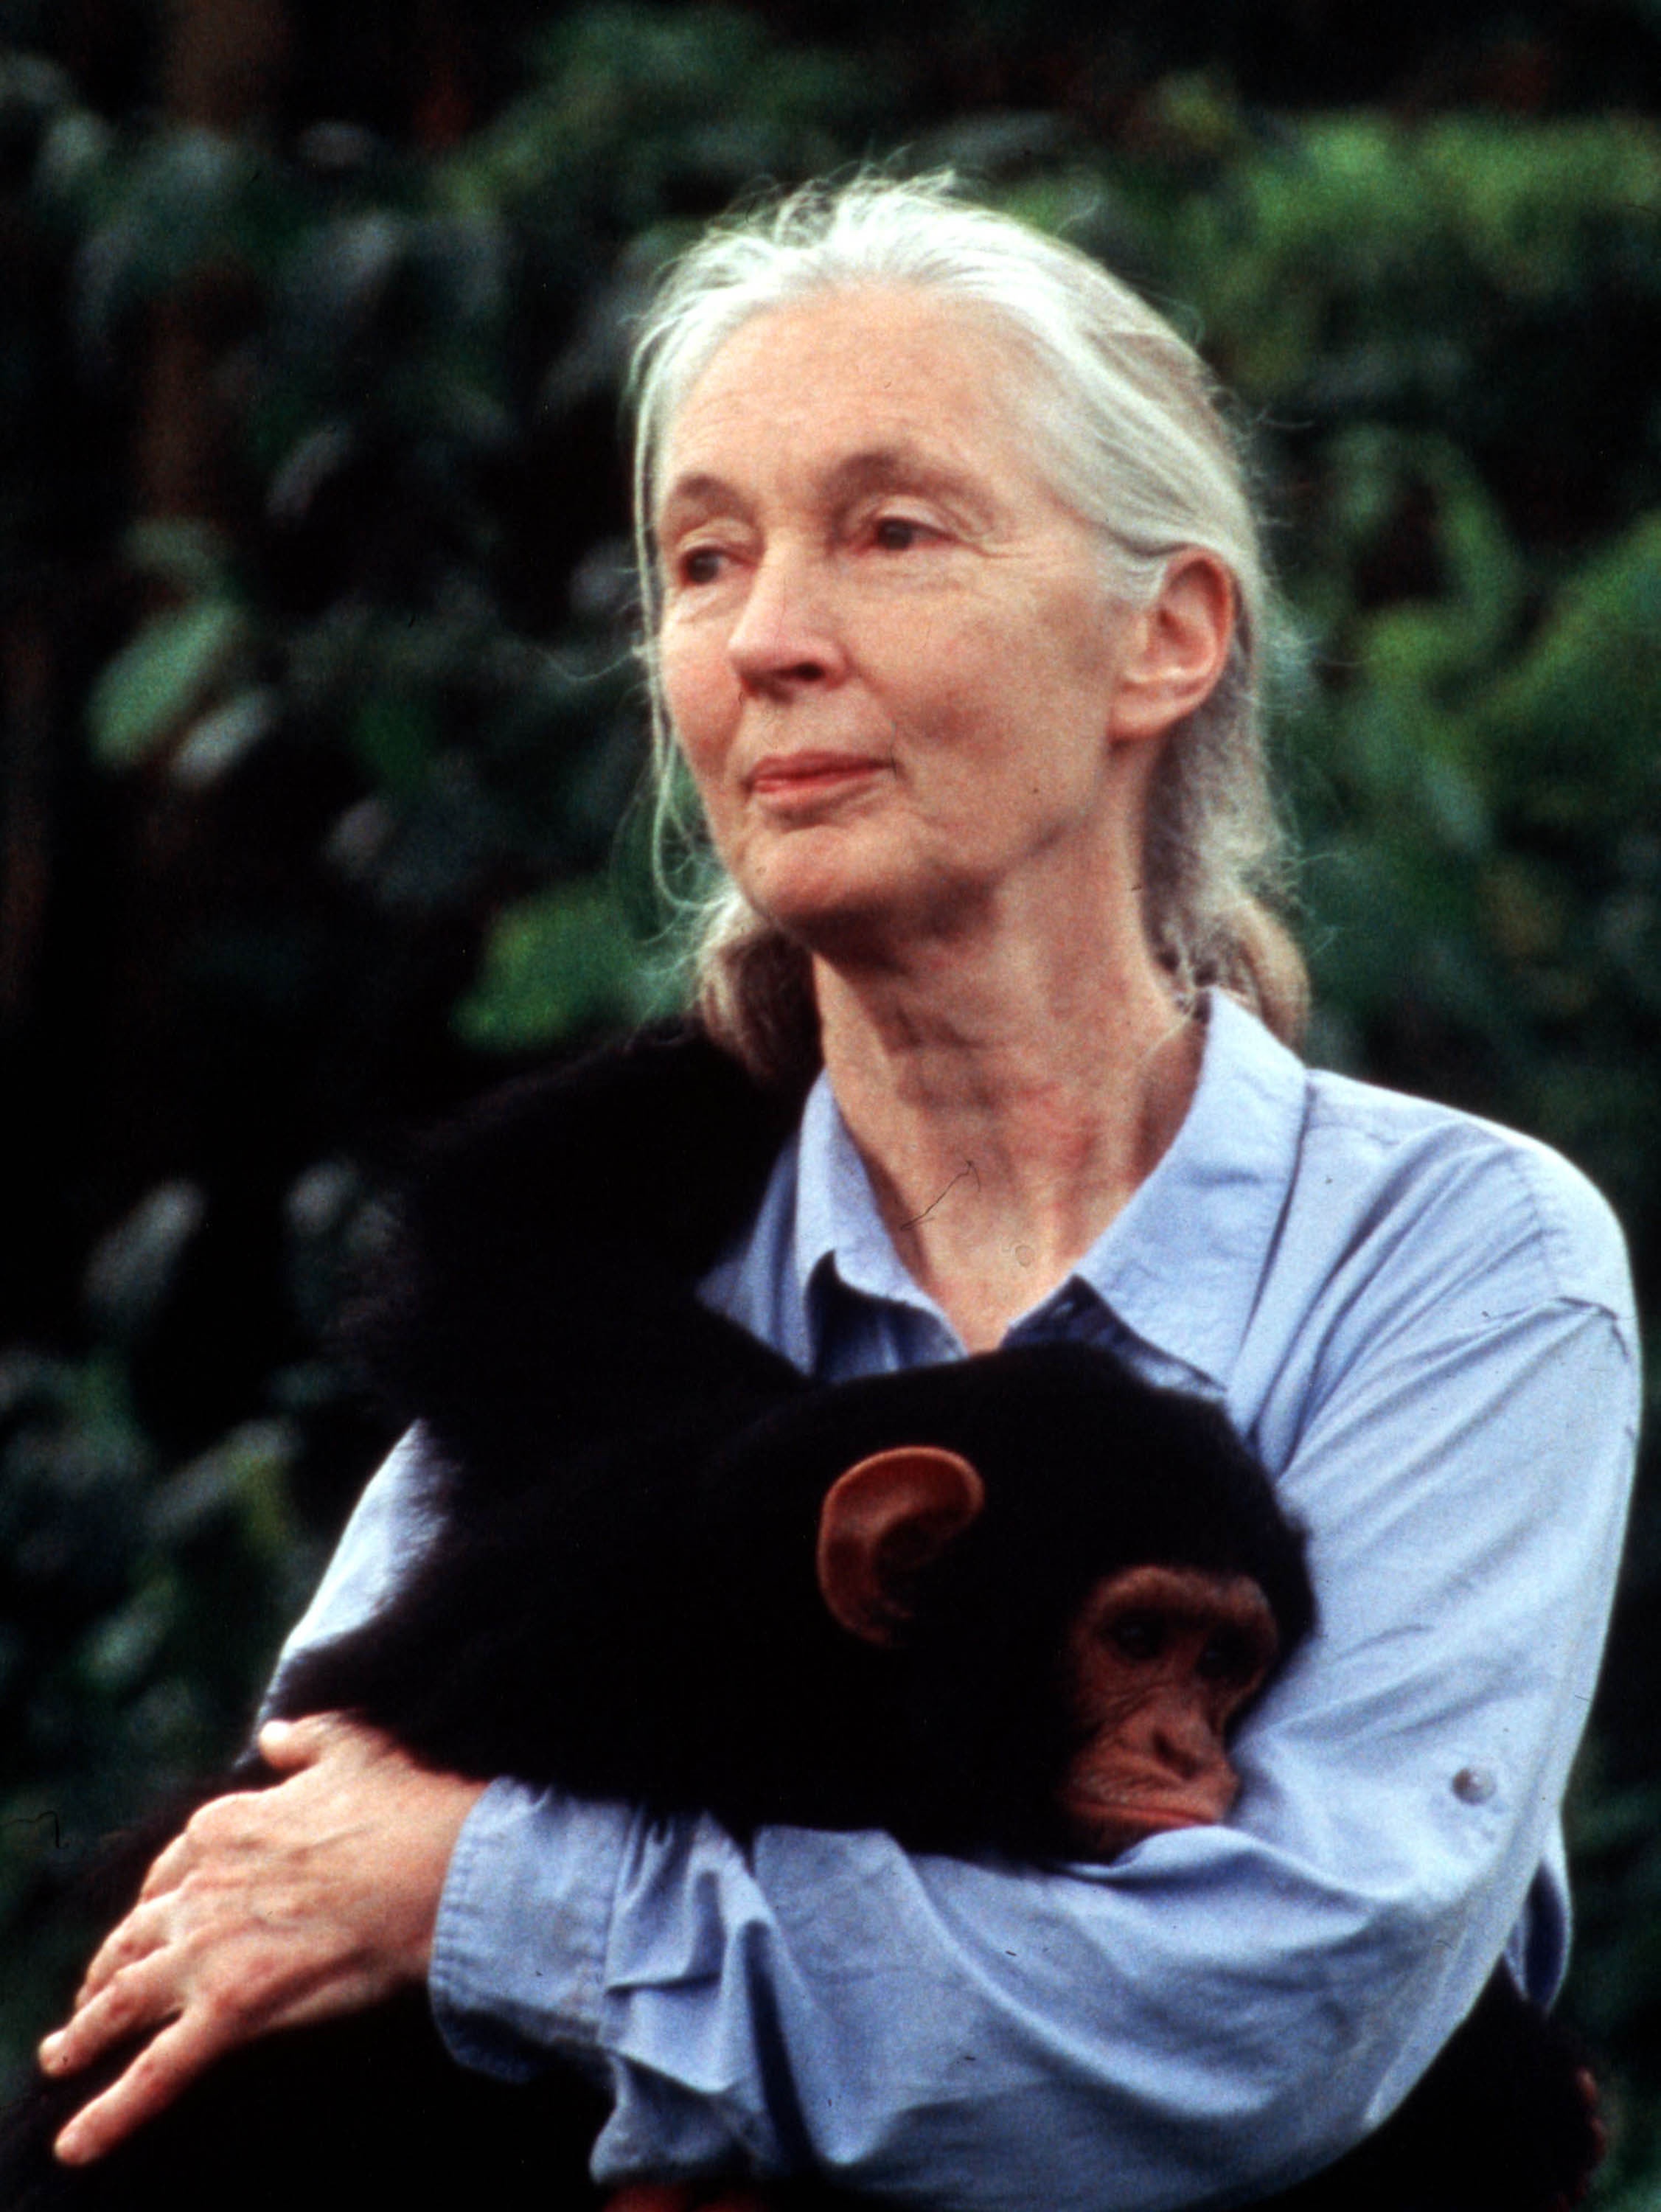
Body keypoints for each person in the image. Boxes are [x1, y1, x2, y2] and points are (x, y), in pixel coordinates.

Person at [38, 175, 1637, 2210]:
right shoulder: (608, 1243)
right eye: (704, 560)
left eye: (893, 532)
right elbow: (282, 1894)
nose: (766, 639)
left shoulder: (1455, 1262)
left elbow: (1266, 2017)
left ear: (1164, 638)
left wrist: (497, 1899)